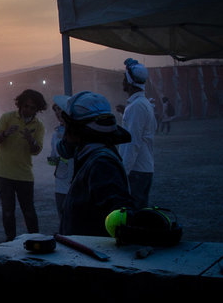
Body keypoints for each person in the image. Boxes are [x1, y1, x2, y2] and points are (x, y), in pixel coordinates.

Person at [56, 91, 134, 236]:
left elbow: (120, 213)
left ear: (76, 129)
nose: (64, 132)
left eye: (67, 125)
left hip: (92, 254)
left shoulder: (102, 164)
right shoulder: (91, 155)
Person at [0, 89, 46, 241]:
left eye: (32, 108)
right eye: (26, 106)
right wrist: (5, 133)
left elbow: (36, 151)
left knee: (28, 211)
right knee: (8, 211)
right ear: (20, 104)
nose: (28, 110)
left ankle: (36, 240)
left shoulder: (38, 126)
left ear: (37, 109)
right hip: (3, 173)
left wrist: (30, 139)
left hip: (24, 174)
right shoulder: (7, 117)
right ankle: (10, 242)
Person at [119, 58, 157, 210]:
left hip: (136, 170)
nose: (122, 81)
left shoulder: (137, 107)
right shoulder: (142, 104)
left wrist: (123, 171)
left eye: (124, 78)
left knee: (134, 215)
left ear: (129, 81)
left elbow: (132, 142)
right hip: (142, 168)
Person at [48, 95, 74, 233]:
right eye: (56, 110)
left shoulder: (78, 132)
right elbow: (53, 158)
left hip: (74, 185)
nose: (58, 114)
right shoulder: (55, 134)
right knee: (62, 219)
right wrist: (52, 161)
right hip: (60, 186)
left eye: (61, 110)